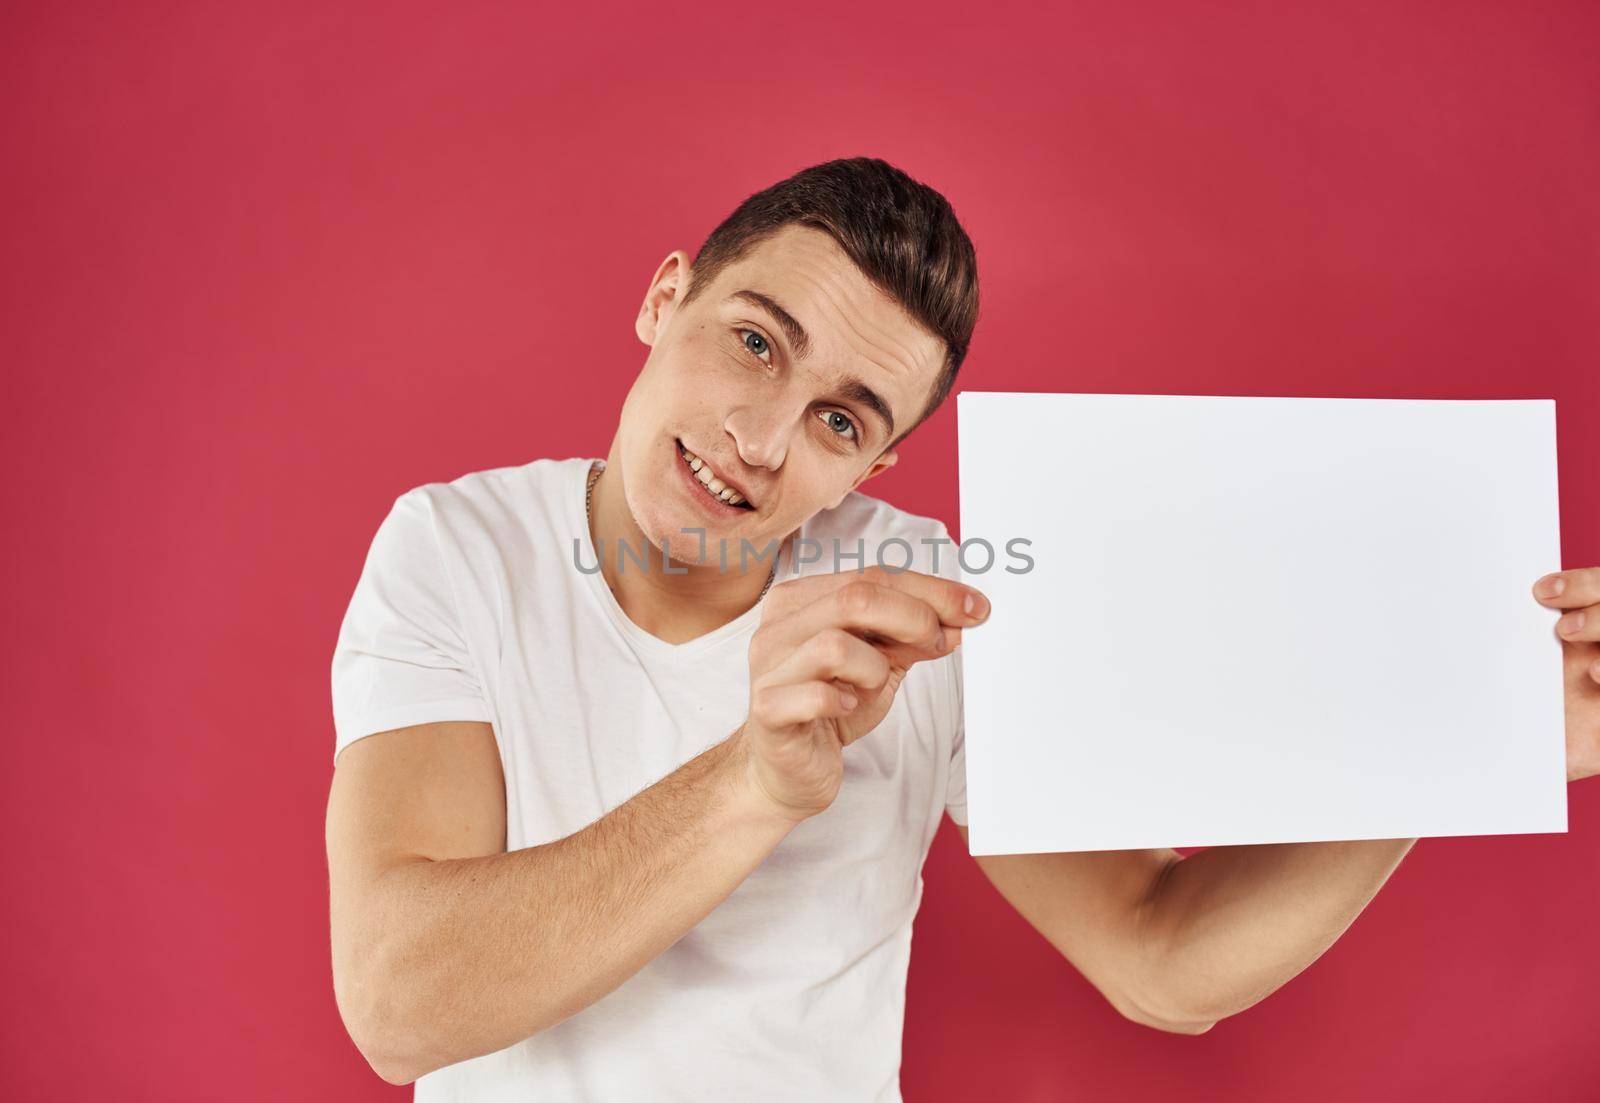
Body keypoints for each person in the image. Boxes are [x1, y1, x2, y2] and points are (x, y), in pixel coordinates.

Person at [324, 157, 1600, 1099]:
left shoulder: (921, 594)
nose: (759, 442)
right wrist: (758, 781)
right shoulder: (455, 547)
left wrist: (1473, 737)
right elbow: (399, 1005)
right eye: (754, 341)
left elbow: (1161, 957)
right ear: (667, 297)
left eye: (840, 419)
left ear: (876, 463)